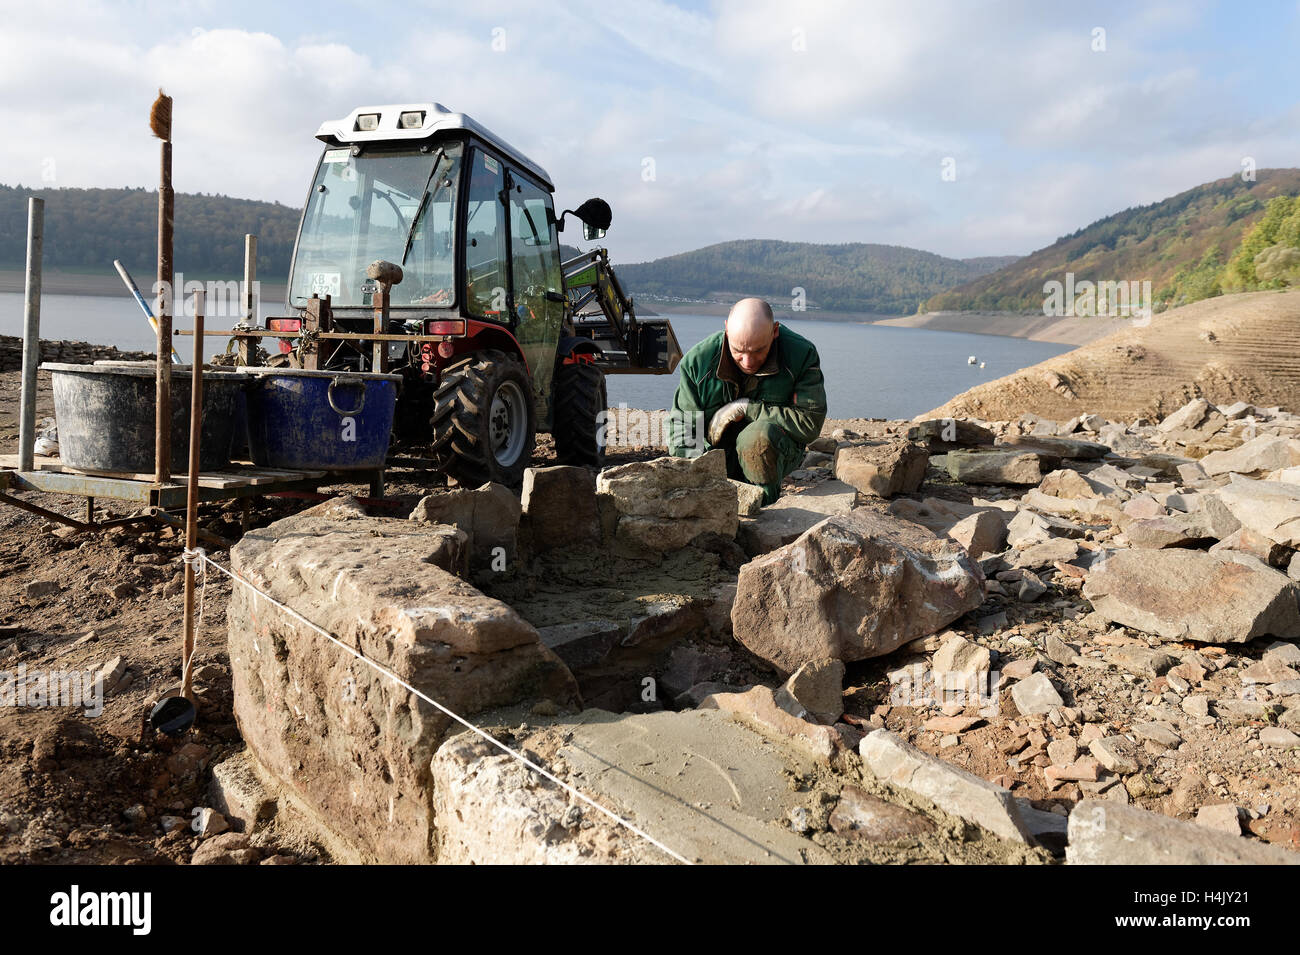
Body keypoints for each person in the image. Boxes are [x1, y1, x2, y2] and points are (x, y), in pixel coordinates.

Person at [666, 297, 827, 505]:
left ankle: (762, 510)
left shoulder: (801, 355)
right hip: (717, 454)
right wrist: (699, 475)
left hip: (774, 450)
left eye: (758, 350)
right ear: (726, 330)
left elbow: (809, 423)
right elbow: (683, 428)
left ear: (775, 331)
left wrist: (748, 409)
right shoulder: (698, 362)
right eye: (738, 351)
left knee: (756, 438)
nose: (747, 361)